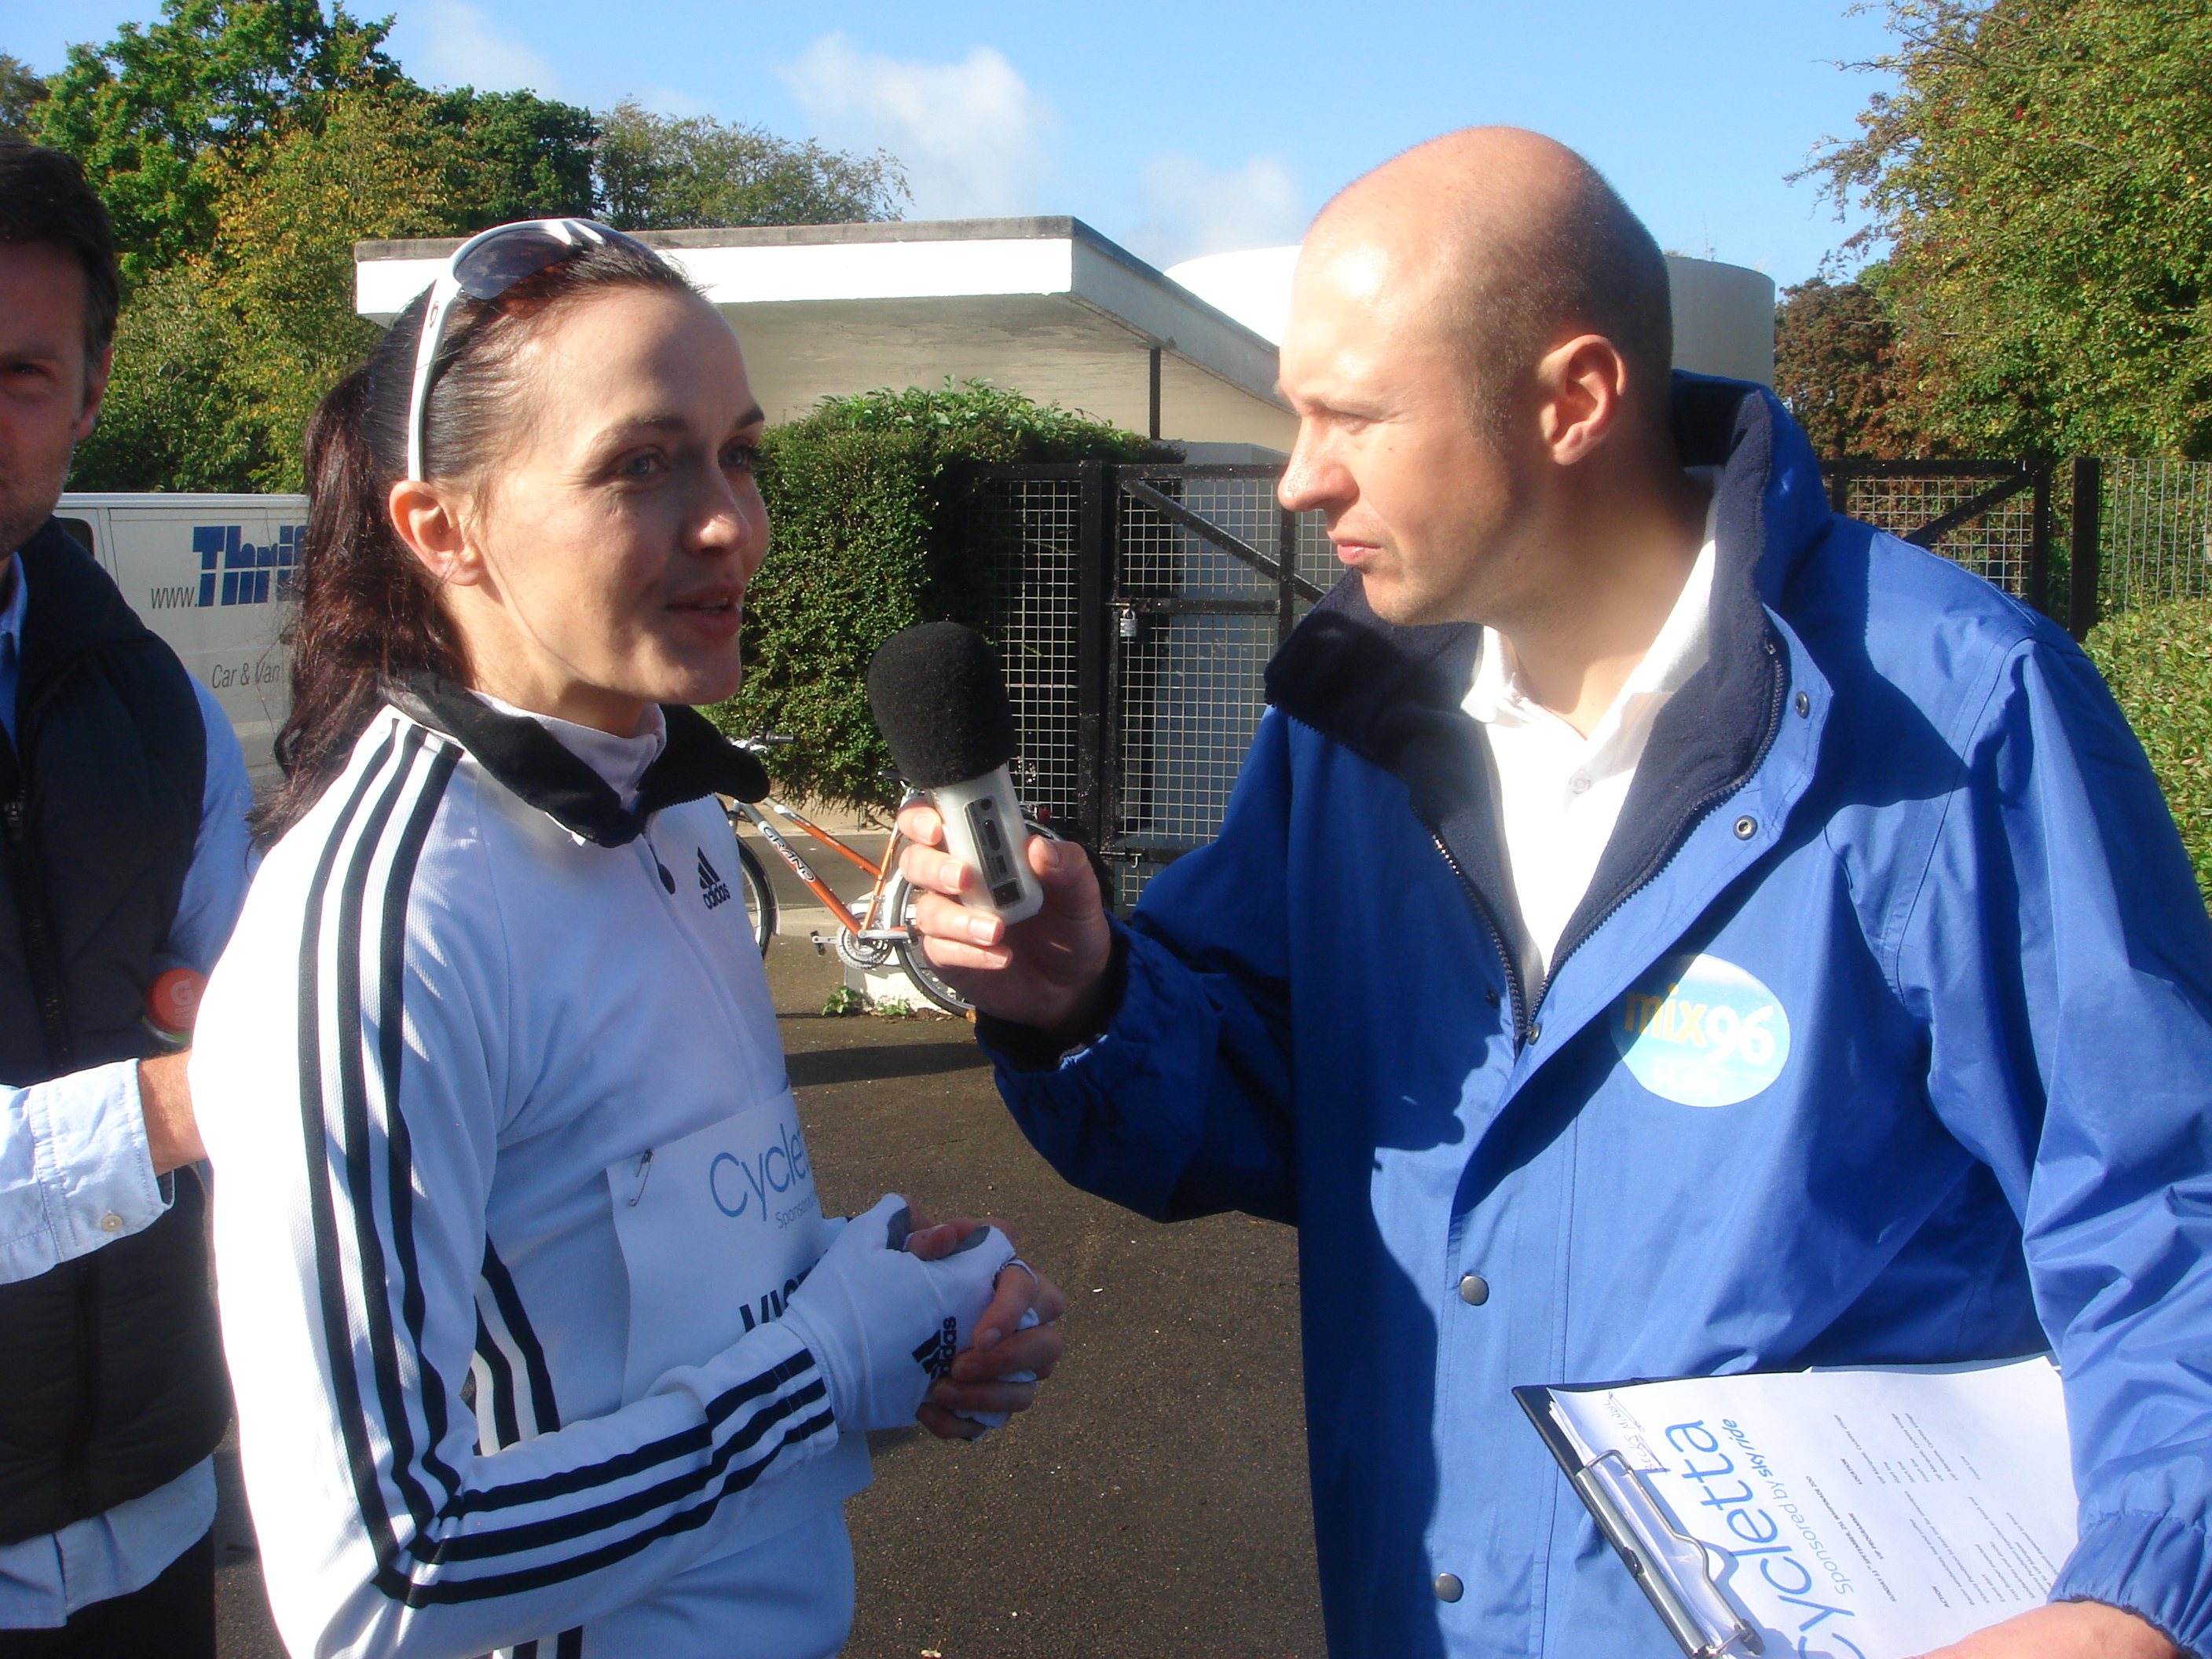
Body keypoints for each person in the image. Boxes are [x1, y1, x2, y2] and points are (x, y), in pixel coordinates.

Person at [896, 127, 2212, 1659]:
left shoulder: (1954, 715)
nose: (1299, 480)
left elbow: (2159, 1204)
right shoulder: (1346, 736)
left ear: (1576, 398)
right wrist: (1088, 997)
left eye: (1354, 418)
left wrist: (2141, 1600)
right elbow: (1279, 1098)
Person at [188, 218, 1065, 1657]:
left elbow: (621, 1266)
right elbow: (383, 1582)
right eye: (641, 463)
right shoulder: (381, 930)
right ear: (442, 530)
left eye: (740, 452)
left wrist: (892, 1290)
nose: (732, 522)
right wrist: (829, 1362)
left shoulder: (674, 804)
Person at [0, 141, 251, 1657]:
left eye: (21, 374)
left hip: (155, 1512)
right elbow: (219, 1088)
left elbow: (218, 997)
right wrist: (183, 1098)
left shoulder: (162, 709)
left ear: (91, 399)